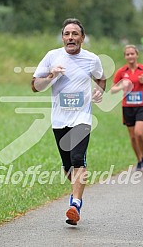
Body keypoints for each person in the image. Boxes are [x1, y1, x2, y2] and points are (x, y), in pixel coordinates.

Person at [32, 18, 106, 225]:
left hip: (82, 117)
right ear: (63, 37)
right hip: (58, 119)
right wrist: (51, 76)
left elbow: (101, 78)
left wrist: (99, 91)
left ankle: (75, 204)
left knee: (77, 158)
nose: (70, 37)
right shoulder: (52, 56)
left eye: (75, 34)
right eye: (67, 34)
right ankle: (76, 194)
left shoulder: (92, 59)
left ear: (82, 38)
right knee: (67, 166)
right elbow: (35, 86)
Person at [111, 45, 143, 171]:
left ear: (136, 55)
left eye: (132, 53)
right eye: (127, 54)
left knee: (139, 133)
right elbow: (112, 89)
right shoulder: (122, 72)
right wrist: (121, 86)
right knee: (132, 136)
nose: (130, 56)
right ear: (125, 56)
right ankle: (139, 160)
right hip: (128, 106)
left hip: (142, 105)